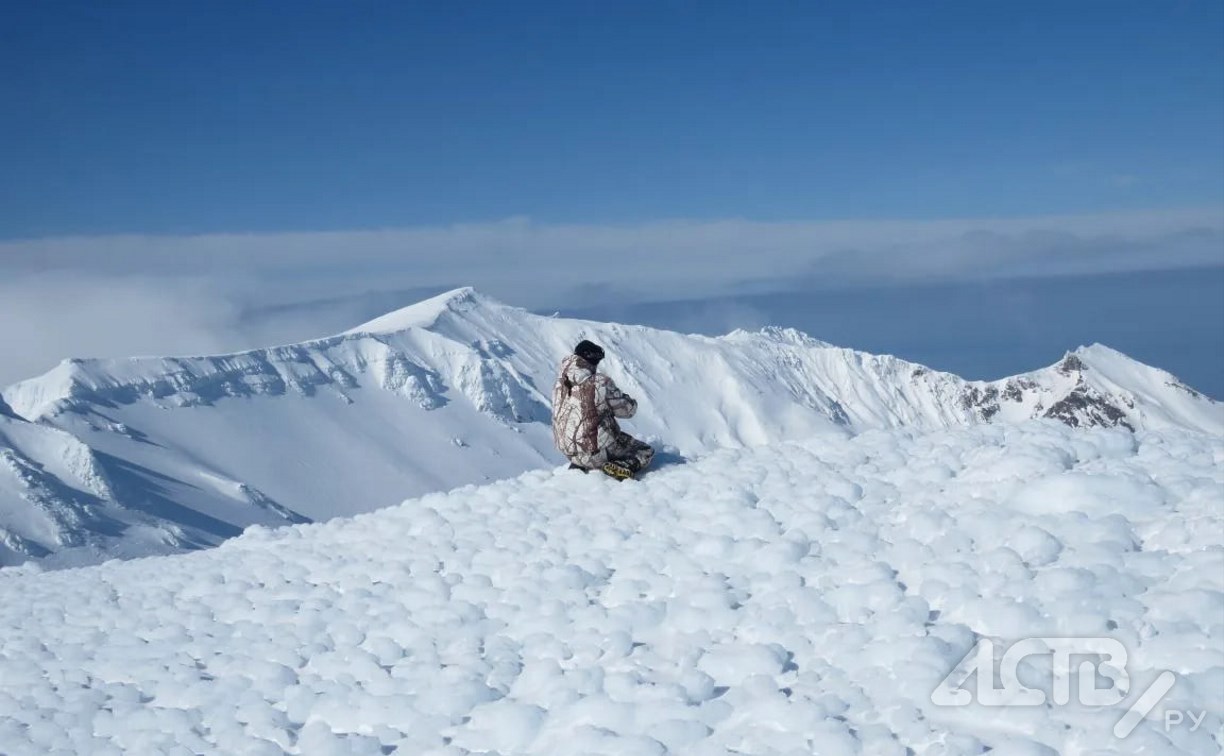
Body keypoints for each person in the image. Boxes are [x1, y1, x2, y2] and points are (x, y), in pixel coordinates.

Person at [551, 340, 654, 480]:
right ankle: (622, 465)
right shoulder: (599, 382)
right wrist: (629, 401)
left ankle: (580, 465)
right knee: (645, 450)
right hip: (596, 452)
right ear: (592, 359)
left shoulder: (559, 384)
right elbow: (627, 411)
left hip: (569, 452)